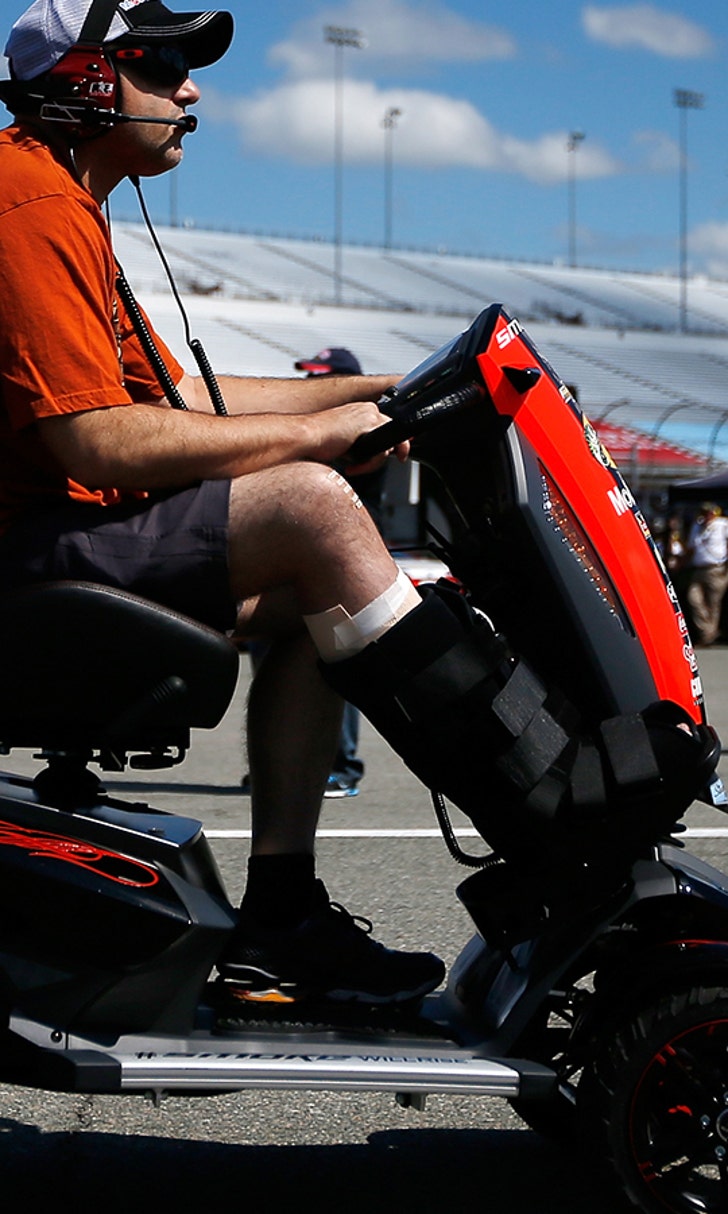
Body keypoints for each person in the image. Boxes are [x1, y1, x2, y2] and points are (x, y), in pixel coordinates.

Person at [0, 0, 712, 1009]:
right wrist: (314, 438)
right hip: (28, 552)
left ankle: (280, 915)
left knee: (311, 598)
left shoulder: (68, 204)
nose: (189, 89)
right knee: (313, 507)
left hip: (53, 540)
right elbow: (97, 440)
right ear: (82, 80)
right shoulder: (25, 202)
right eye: (160, 65)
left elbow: (185, 402)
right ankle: (557, 819)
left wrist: (373, 392)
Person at [294, 346, 388, 798]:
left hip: (341, 565)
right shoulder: (317, 432)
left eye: (322, 379)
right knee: (286, 657)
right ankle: (294, 763)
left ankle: (342, 765)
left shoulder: (361, 437)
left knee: (332, 657)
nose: (314, 389)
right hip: (301, 560)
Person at [685, 502, 728, 646]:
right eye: (704, 513)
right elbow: (690, 547)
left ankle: (708, 635)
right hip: (699, 568)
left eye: (709, 513)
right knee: (694, 598)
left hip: (716, 568)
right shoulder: (697, 526)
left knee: (713, 603)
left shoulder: (722, 525)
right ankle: (709, 630)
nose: (706, 516)